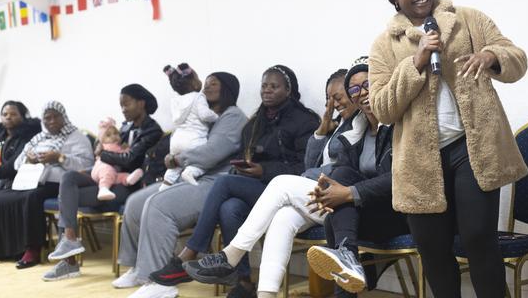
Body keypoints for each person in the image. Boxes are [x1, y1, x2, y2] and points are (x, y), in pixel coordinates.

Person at [368, 0, 528, 298]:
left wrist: (490, 57)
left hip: (472, 149)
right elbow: (382, 108)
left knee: (478, 239)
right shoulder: (385, 45)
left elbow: (516, 58)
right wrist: (417, 62)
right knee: (434, 251)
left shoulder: (467, 18)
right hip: (419, 162)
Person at [173, 69, 356, 298]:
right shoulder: (332, 125)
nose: (332, 103)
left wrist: (265, 170)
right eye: (328, 98)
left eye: (338, 96)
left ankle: (226, 256)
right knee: (255, 214)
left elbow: (333, 169)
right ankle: (261, 291)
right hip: (308, 192)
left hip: (332, 196)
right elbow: (311, 164)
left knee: (269, 184)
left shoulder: (355, 125)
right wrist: (321, 132)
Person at [145, 65, 320, 298]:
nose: (267, 91)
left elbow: (306, 166)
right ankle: (244, 281)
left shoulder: (304, 121)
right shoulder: (256, 122)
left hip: (286, 191)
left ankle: (190, 253)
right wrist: (247, 168)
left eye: (274, 86)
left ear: (288, 90)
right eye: (264, 86)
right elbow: (249, 155)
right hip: (258, 188)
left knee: (224, 183)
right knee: (230, 208)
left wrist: (263, 170)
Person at [110, 72, 247, 298]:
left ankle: (159, 282)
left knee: (159, 206)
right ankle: (138, 267)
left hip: (214, 183)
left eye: (214, 84)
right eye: (206, 83)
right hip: (188, 176)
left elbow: (212, 153)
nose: (207, 87)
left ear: (229, 89)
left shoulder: (233, 116)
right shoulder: (204, 114)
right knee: (135, 203)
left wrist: (178, 159)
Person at [306, 57, 408, 297]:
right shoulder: (355, 133)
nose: (362, 93)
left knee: (339, 205)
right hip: (372, 209)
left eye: (368, 84)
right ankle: (347, 256)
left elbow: (401, 179)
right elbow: (343, 174)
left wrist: (349, 193)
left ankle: (346, 261)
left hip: (403, 212)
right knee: (337, 198)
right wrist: (328, 193)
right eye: (354, 89)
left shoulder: (402, 123)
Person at [43, 84, 163, 281]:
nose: (123, 109)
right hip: (106, 180)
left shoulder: (152, 130)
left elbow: (130, 159)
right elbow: (112, 152)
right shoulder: (124, 128)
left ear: (141, 103)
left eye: (126, 104)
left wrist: (102, 153)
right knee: (68, 179)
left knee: (67, 198)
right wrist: (96, 162)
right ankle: (70, 241)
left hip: (128, 184)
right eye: (121, 105)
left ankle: (70, 262)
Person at [0, 101, 93, 268]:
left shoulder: (77, 137)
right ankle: (7, 249)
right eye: (47, 118)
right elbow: (17, 164)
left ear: (63, 117)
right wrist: (28, 159)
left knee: (31, 198)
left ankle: (33, 250)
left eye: (55, 117)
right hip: (30, 180)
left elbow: (86, 165)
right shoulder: (38, 138)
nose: (51, 121)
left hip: (57, 183)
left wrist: (58, 157)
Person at [0, 101, 40, 259]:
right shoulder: (0, 135)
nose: (8, 117)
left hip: (9, 178)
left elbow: (14, 165)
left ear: (22, 116)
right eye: (5, 114)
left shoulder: (26, 137)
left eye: (13, 114)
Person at [161, 63, 218, 190]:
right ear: (193, 82)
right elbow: (204, 115)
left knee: (175, 166)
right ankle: (191, 172)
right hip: (194, 139)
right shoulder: (198, 97)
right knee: (204, 159)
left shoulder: (175, 100)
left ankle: (165, 185)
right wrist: (216, 117)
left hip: (176, 141)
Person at [91, 118, 144, 201]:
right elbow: (122, 154)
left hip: (112, 173)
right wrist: (128, 150)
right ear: (102, 140)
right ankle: (103, 189)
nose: (113, 136)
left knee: (117, 175)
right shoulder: (107, 146)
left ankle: (128, 179)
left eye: (116, 133)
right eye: (108, 135)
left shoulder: (117, 146)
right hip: (101, 170)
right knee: (109, 172)